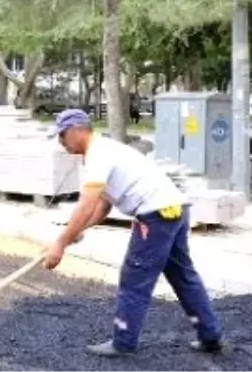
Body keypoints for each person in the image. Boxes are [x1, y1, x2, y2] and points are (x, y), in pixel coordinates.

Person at [43, 109, 223, 357]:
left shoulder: (98, 154)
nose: (61, 142)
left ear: (76, 130)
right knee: (182, 274)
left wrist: (60, 244)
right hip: (174, 210)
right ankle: (210, 335)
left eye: (62, 136)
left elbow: (86, 205)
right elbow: (103, 206)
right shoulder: (104, 150)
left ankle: (124, 341)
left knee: (134, 277)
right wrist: (75, 233)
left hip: (156, 215)